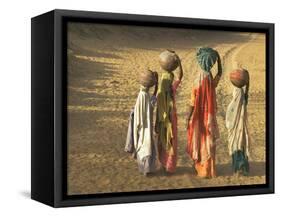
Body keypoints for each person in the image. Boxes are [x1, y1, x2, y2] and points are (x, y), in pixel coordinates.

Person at [186, 47, 222, 178]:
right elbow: (220, 74)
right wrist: (219, 60)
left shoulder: (198, 80)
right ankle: (210, 170)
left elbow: (192, 101)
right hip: (209, 118)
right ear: (211, 63)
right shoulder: (210, 79)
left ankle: (202, 168)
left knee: (199, 140)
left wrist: (188, 117)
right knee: (209, 142)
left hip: (198, 117)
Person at [125, 69, 158, 176]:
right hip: (145, 126)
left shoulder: (142, 93)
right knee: (147, 147)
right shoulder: (145, 95)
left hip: (142, 126)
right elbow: (150, 107)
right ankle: (147, 169)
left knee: (143, 146)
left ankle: (144, 168)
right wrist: (157, 85)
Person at [156, 51, 183, 173]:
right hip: (171, 116)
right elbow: (180, 76)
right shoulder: (172, 89)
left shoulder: (160, 92)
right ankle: (169, 166)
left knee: (162, 139)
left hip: (161, 117)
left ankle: (162, 163)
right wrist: (180, 62)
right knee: (171, 140)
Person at [225, 73, 250, 176]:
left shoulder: (236, 98)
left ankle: (238, 169)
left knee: (236, 146)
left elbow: (229, 114)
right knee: (241, 145)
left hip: (236, 127)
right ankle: (243, 169)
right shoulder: (243, 98)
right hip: (241, 127)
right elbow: (246, 95)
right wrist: (248, 84)